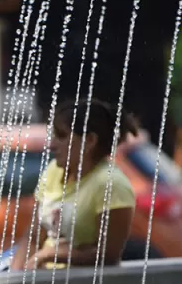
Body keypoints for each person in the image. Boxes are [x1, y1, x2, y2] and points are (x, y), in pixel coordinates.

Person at [11, 99, 138, 271]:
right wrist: (15, 275)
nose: (52, 145)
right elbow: (33, 235)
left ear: (90, 140)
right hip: (43, 283)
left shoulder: (111, 184)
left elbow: (108, 254)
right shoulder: (52, 172)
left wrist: (50, 254)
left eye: (61, 136)